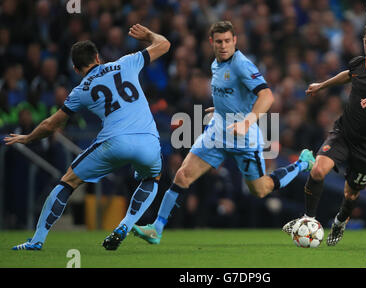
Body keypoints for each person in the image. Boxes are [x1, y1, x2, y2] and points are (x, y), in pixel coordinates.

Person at [132, 21, 315, 244]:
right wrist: (220, 109)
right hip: (217, 132)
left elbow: (267, 96)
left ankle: (301, 164)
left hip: (244, 138)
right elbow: (230, 94)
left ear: (235, 40)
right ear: (212, 42)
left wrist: (247, 121)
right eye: (219, 41)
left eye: (228, 40)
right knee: (182, 175)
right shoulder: (215, 65)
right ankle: (157, 228)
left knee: (261, 189)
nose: (223, 45)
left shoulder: (242, 65)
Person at [5, 24, 170, 250]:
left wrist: (28, 138)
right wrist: (149, 35)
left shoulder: (81, 90)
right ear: (97, 57)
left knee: (69, 181)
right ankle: (126, 224)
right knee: (152, 178)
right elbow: (164, 44)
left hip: (114, 142)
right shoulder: (126, 62)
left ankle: (37, 240)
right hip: (148, 141)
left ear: (75, 68)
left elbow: (52, 124)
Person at [283, 20, 366, 246]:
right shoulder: (359, 63)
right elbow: (348, 74)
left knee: (351, 194)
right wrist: (322, 85)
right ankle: (307, 219)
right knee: (318, 170)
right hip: (343, 134)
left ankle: (340, 221)